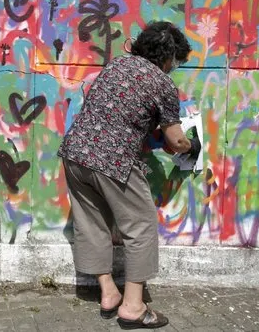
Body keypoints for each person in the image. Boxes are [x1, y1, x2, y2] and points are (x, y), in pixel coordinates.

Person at [58, 21, 201, 329]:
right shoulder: (162, 84)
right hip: (112, 159)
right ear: (168, 57)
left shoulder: (115, 66)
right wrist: (191, 144)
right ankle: (133, 307)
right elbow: (175, 141)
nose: (175, 67)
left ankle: (108, 293)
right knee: (142, 225)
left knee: (92, 223)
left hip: (74, 154)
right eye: (176, 61)